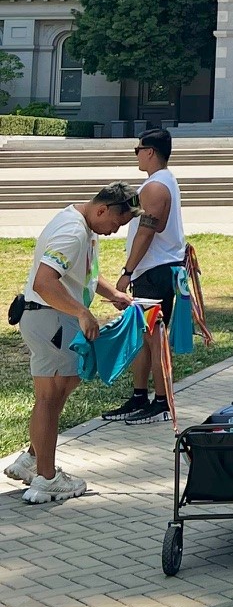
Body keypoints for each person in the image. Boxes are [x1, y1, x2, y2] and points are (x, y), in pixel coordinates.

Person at [5, 184, 137, 504]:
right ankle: (47, 478)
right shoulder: (73, 232)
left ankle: (33, 459)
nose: (113, 232)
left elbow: (82, 275)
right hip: (52, 318)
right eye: (116, 225)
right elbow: (44, 281)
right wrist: (82, 312)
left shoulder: (82, 224)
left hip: (44, 318)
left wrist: (115, 295)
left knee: (58, 390)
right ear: (102, 210)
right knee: (50, 397)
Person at [101, 128, 187, 424]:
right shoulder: (161, 182)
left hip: (154, 272)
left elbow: (147, 230)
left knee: (154, 338)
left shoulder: (155, 187)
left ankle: (161, 403)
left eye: (138, 149)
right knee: (143, 335)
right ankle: (140, 396)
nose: (136, 154)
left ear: (150, 151)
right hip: (153, 271)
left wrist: (126, 272)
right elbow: (135, 218)